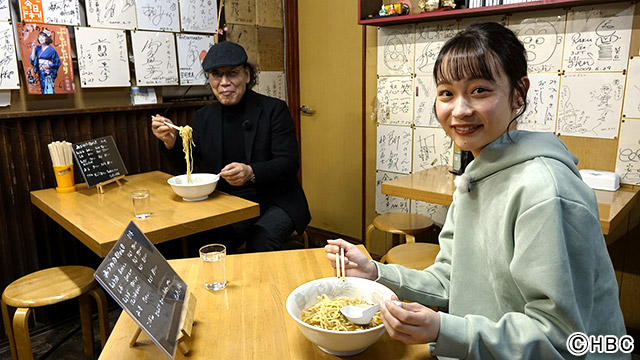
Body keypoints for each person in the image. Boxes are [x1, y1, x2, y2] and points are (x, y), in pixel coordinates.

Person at [325, 22, 627, 359]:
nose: (460, 110)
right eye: (447, 93)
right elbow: (452, 278)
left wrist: (446, 330)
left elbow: (562, 339)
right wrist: (376, 272)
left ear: (518, 93)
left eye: (481, 90)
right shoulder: (475, 176)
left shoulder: (544, 191)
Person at [151, 41, 311, 253]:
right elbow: (186, 165)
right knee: (198, 238)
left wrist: (251, 171)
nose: (224, 82)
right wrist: (171, 141)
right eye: (216, 75)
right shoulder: (204, 117)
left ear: (246, 75)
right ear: (209, 78)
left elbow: (289, 163)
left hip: (276, 199)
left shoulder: (274, 110)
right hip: (229, 202)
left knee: (261, 239)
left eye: (233, 74)